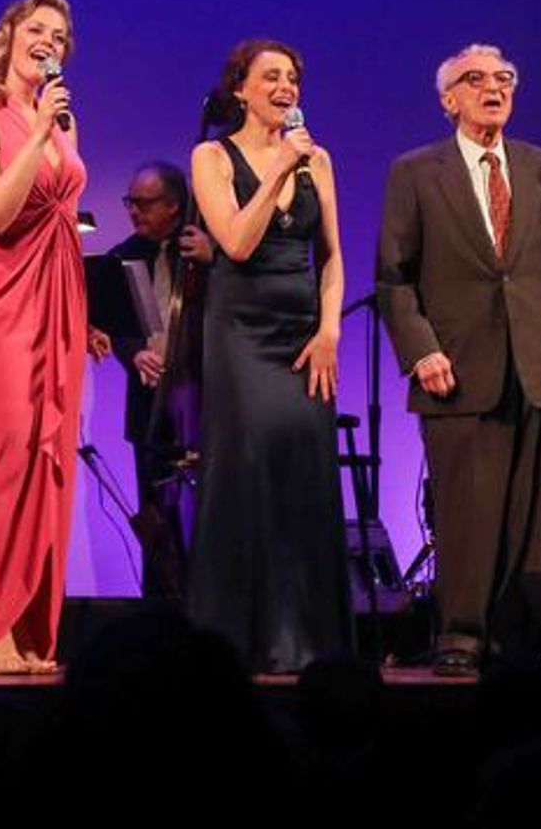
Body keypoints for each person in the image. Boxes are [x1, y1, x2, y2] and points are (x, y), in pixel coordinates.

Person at [376, 43, 541, 676]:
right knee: (468, 511)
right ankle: (461, 634)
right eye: (475, 81)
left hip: (537, 362)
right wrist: (421, 352)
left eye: (504, 79)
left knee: (530, 515)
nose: (492, 89)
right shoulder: (415, 172)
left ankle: (515, 636)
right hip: (457, 367)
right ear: (449, 100)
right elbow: (394, 278)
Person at [0, 0, 106, 673]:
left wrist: (83, 314)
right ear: (7, 38)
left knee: (50, 463)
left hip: (58, 298)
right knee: (8, 458)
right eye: (37, 30)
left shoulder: (65, 125)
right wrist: (36, 130)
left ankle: (34, 630)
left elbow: (64, 219)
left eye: (61, 37)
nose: (50, 42)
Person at [187, 39, 352, 674]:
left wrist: (330, 330)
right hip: (242, 334)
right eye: (271, 77)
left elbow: (333, 256)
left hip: (305, 337)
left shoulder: (321, 161)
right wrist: (281, 165)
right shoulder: (213, 156)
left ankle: (304, 642)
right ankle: (234, 640)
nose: (286, 87)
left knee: (303, 472)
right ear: (241, 90)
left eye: (292, 78)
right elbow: (235, 240)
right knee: (249, 466)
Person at [108, 161, 212, 596]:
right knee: (156, 513)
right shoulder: (123, 255)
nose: (134, 212)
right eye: (130, 202)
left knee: (205, 509)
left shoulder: (200, 251)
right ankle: (161, 605)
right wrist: (134, 354)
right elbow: (118, 327)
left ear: (174, 206)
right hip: (150, 405)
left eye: (144, 204)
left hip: (201, 399)